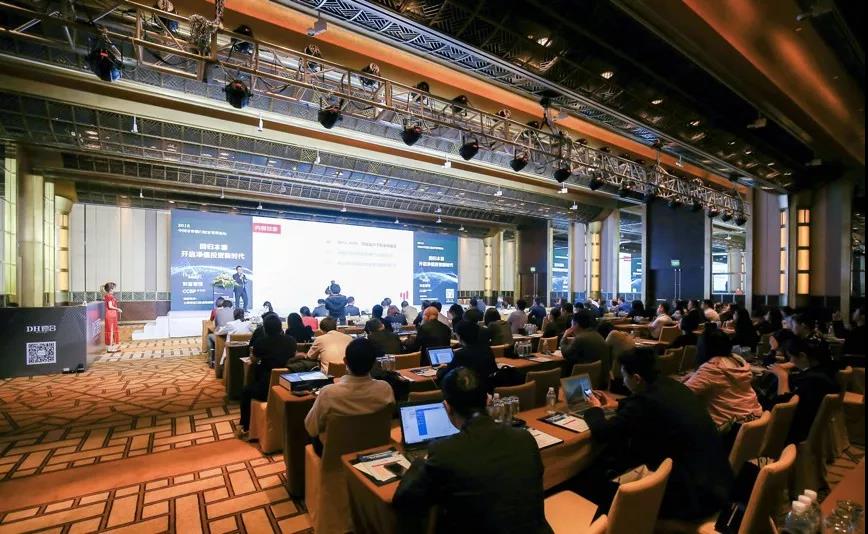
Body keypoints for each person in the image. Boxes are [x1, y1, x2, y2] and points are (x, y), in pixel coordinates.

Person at [393, 367, 551, 534]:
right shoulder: (525, 438)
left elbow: (404, 500)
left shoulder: (444, 452)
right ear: (488, 400)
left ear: (447, 407)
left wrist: (422, 461)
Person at [581, 348, 733, 521]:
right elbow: (649, 405)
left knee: (603, 487)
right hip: (717, 483)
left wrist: (594, 409)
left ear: (637, 378)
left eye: (624, 376)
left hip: (694, 497)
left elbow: (603, 432)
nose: (623, 381)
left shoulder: (644, 402)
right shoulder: (672, 386)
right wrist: (617, 404)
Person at [304, 337, 395, 445]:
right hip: (375, 447)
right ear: (374, 363)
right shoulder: (385, 389)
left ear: (345, 361)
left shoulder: (328, 393)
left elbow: (311, 429)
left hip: (335, 451)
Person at [683, 329, 762, 442]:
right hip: (754, 419)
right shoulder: (738, 360)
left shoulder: (712, 368)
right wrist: (696, 376)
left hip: (730, 430)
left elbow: (682, 394)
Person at [766, 337, 838, 444]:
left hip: (792, 430)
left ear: (803, 356)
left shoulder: (813, 381)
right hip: (808, 423)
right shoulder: (827, 371)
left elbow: (784, 408)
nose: (791, 361)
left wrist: (782, 376)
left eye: (791, 357)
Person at [238, 315, 295, 438]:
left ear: (265, 329)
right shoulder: (291, 340)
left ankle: (246, 426)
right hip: (288, 385)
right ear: (280, 327)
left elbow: (253, 360)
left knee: (246, 392)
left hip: (266, 388)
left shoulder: (261, 342)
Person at [436, 321, 497, 385]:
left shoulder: (461, 354)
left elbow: (443, 374)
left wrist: (441, 369)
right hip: (487, 387)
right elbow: (493, 370)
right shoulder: (487, 349)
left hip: (469, 388)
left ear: (459, 337)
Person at [103, 282, 122, 352]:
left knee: (111, 331)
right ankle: (109, 348)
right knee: (110, 331)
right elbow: (110, 306)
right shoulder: (109, 296)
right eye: (113, 288)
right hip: (110, 315)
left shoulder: (108, 296)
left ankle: (111, 347)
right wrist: (118, 309)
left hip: (111, 314)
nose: (114, 290)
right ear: (110, 289)